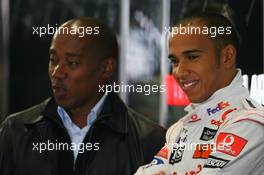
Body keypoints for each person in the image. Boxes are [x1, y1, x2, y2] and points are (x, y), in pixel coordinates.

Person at [0, 17, 166, 175]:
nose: (57, 73)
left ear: (106, 68)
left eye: (72, 63)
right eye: (53, 60)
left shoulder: (149, 140)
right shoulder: (16, 131)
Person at [135, 12, 264, 175]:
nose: (179, 72)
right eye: (175, 61)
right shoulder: (178, 129)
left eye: (192, 57)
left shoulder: (250, 123)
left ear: (227, 57)